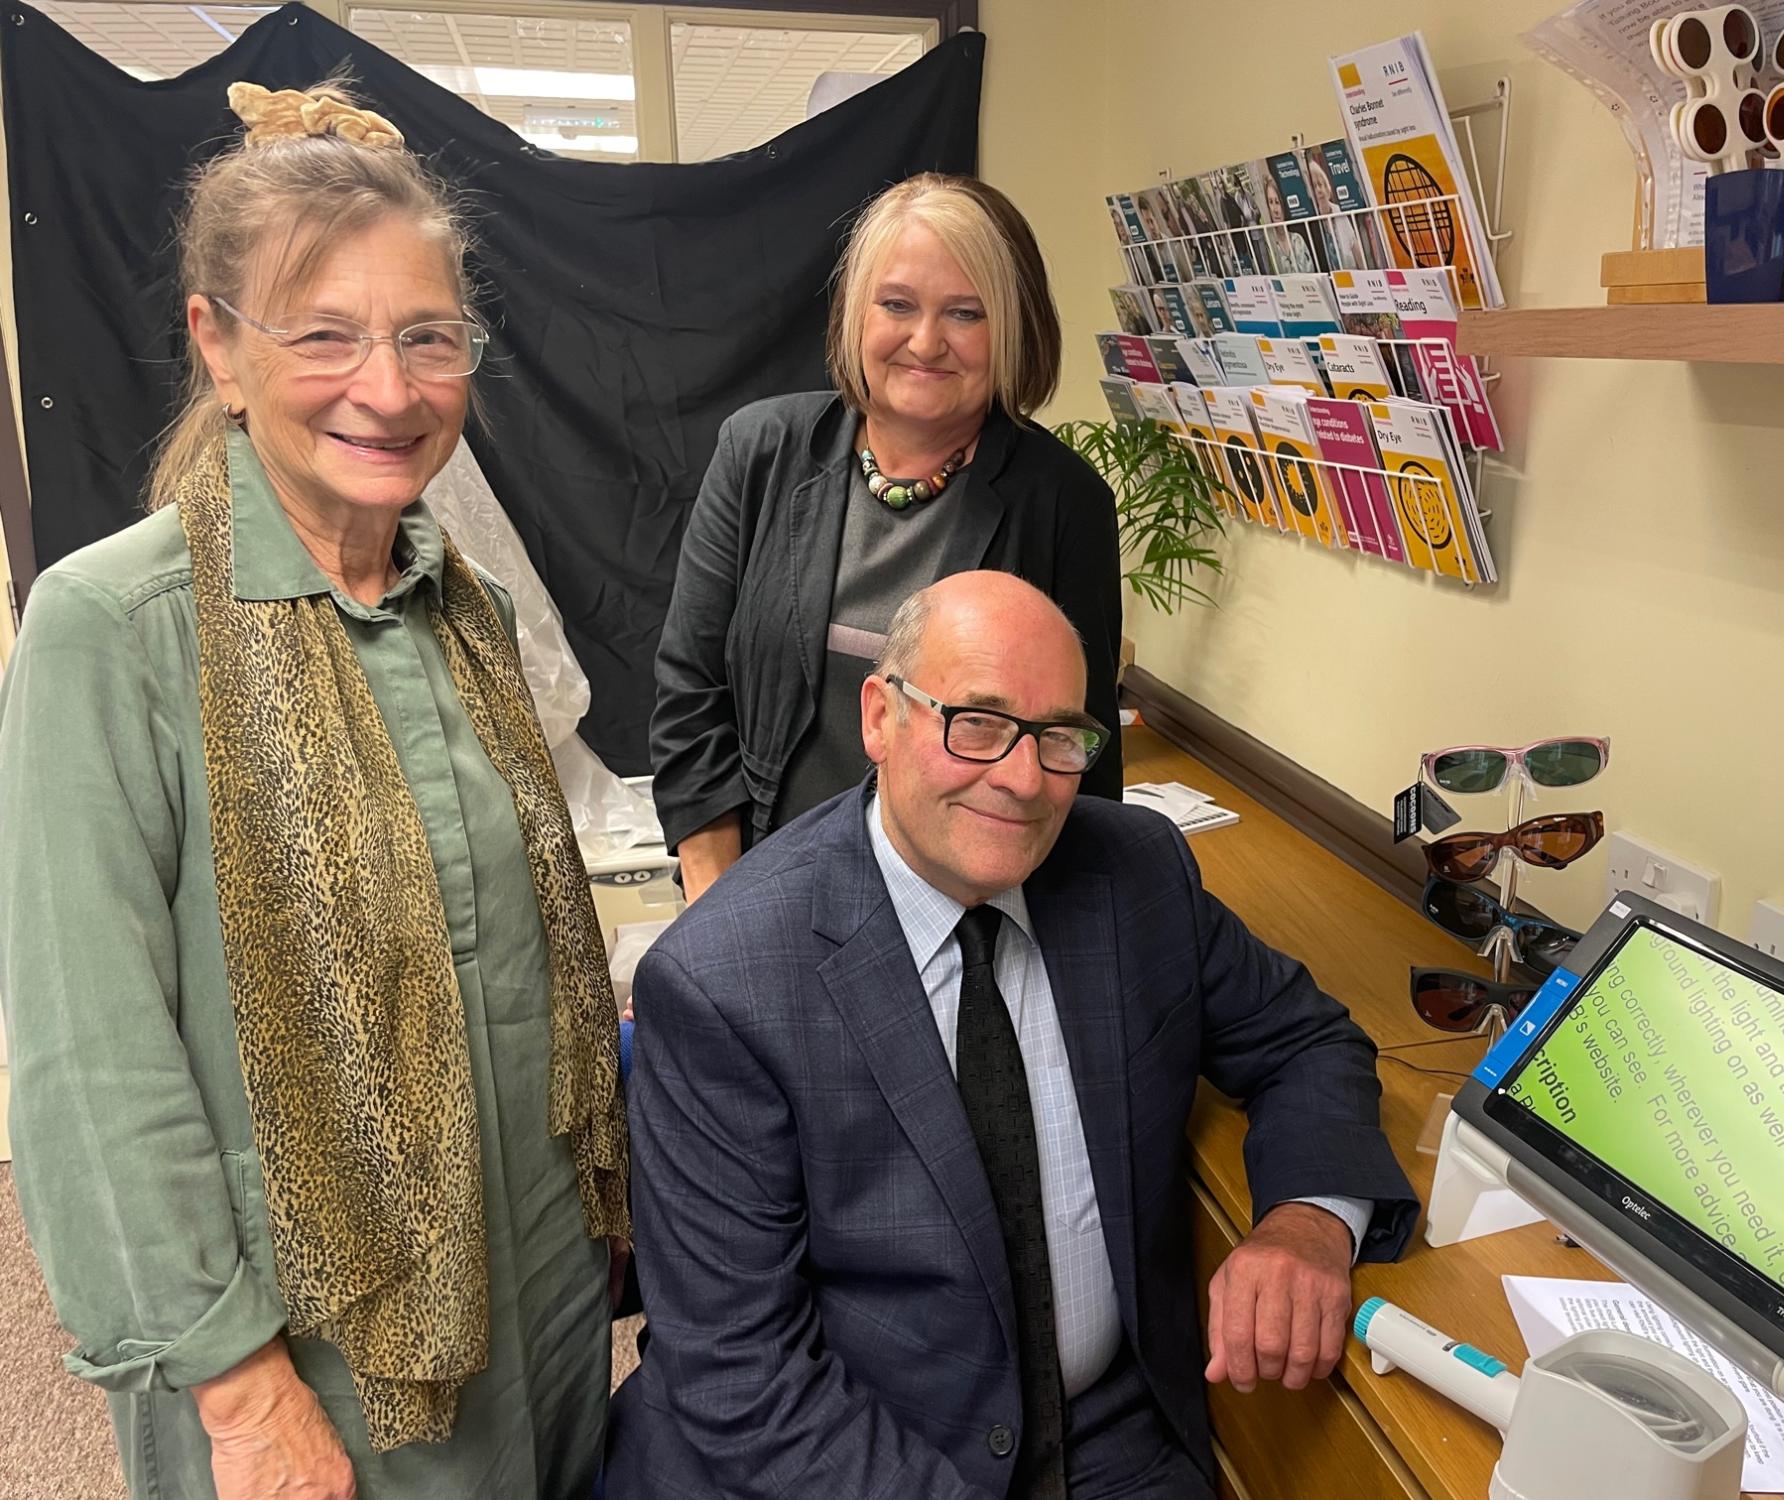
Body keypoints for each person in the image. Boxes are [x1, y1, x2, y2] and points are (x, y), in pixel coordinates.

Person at [0, 80, 628, 1500]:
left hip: (535, 1297)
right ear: (217, 347)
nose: (389, 389)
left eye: (427, 338)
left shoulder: (454, 600)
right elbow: (89, 1075)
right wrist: (236, 1395)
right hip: (314, 1359)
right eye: (325, 336)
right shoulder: (118, 628)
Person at [608, 571, 1417, 1499]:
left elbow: (1308, 1041)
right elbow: (742, 1375)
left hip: (1111, 1441)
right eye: (978, 724)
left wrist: (1309, 1223)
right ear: (881, 717)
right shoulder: (723, 979)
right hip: (852, 1456)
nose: (1024, 779)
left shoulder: (1136, 874)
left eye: (1059, 737)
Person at [649, 173, 1123, 905]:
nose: (925, 342)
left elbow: (1078, 754)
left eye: (965, 313)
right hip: (767, 889)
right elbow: (691, 694)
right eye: (897, 305)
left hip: (969, 908)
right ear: (854, 316)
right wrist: (717, 912)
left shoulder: (1062, 501)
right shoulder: (759, 452)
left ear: (1013, 327)